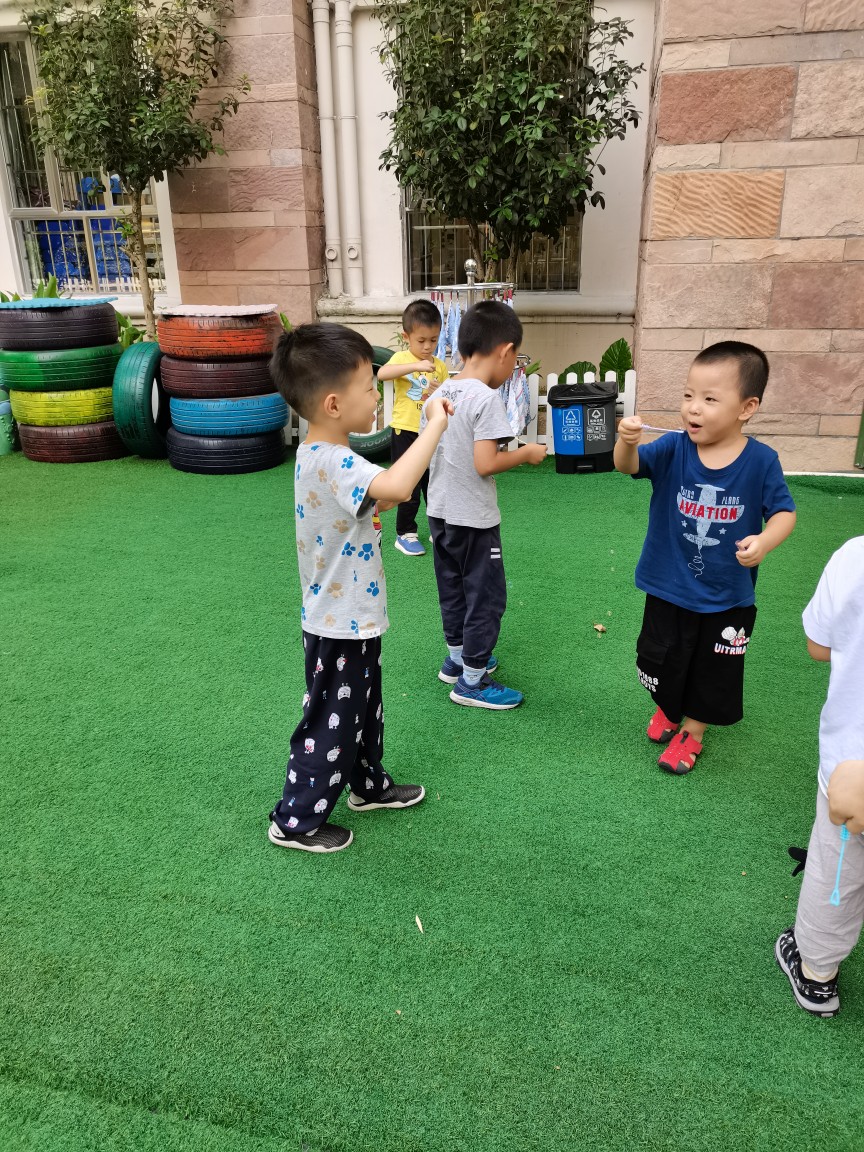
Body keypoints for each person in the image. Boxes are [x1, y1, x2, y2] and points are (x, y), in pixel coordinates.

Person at [267, 322, 453, 853]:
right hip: (339, 622)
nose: (377, 395)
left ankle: (368, 785)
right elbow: (398, 485)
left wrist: (386, 494)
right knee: (332, 720)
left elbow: (378, 497)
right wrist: (434, 424)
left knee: (364, 708)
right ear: (333, 404)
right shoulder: (335, 460)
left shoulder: (322, 454)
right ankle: (294, 820)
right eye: (370, 387)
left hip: (349, 616)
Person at [614, 341, 796, 774]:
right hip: (669, 585)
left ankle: (692, 731)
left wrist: (765, 541)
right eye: (688, 395)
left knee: (713, 670)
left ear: (747, 408)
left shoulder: (761, 461)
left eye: (710, 399)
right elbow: (628, 466)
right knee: (662, 658)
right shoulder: (673, 448)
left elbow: (784, 513)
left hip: (726, 595)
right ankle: (668, 708)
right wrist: (626, 442)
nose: (693, 408)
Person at [423, 300, 546, 710]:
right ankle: (472, 681)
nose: (513, 369)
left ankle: (457, 659)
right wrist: (526, 454)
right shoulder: (485, 397)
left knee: (453, 588)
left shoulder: (441, 393)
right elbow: (485, 463)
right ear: (505, 351)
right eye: (516, 359)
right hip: (474, 519)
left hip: (439, 514)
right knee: (486, 597)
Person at [776, 535, 864, 1017]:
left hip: (851, 767)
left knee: (838, 869)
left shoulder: (855, 556)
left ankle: (816, 974)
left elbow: (818, 646)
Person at [378, 299, 450, 557]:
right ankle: (405, 533)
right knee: (408, 485)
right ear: (406, 337)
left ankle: (437, 529)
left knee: (434, 483)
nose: (428, 346)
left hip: (430, 433)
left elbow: (446, 399)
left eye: (433, 340)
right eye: (421, 341)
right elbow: (382, 374)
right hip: (405, 431)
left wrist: (438, 391)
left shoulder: (440, 366)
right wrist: (416, 366)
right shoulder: (401, 359)